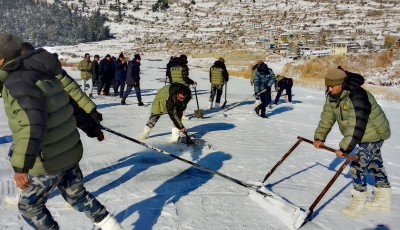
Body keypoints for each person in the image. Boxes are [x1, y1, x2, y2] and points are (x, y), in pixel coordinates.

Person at [0, 33, 123, 230]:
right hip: (69, 153)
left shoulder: (18, 83)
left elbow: (32, 126)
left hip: (49, 160)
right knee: (77, 196)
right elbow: (72, 106)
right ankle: (113, 227)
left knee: (29, 206)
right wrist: (93, 129)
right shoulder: (45, 73)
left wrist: (21, 168)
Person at [313, 67, 391, 217]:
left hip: (373, 133)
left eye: (332, 86)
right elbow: (327, 118)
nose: (329, 89)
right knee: (375, 164)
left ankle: (358, 203)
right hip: (360, 135)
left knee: (357, 167)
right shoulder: (332, 96)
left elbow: (357, 124)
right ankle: (383, 199)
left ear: (342, 83)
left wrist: (345, 148)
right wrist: (319, 138)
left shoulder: (357, 96)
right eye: (327, 86)